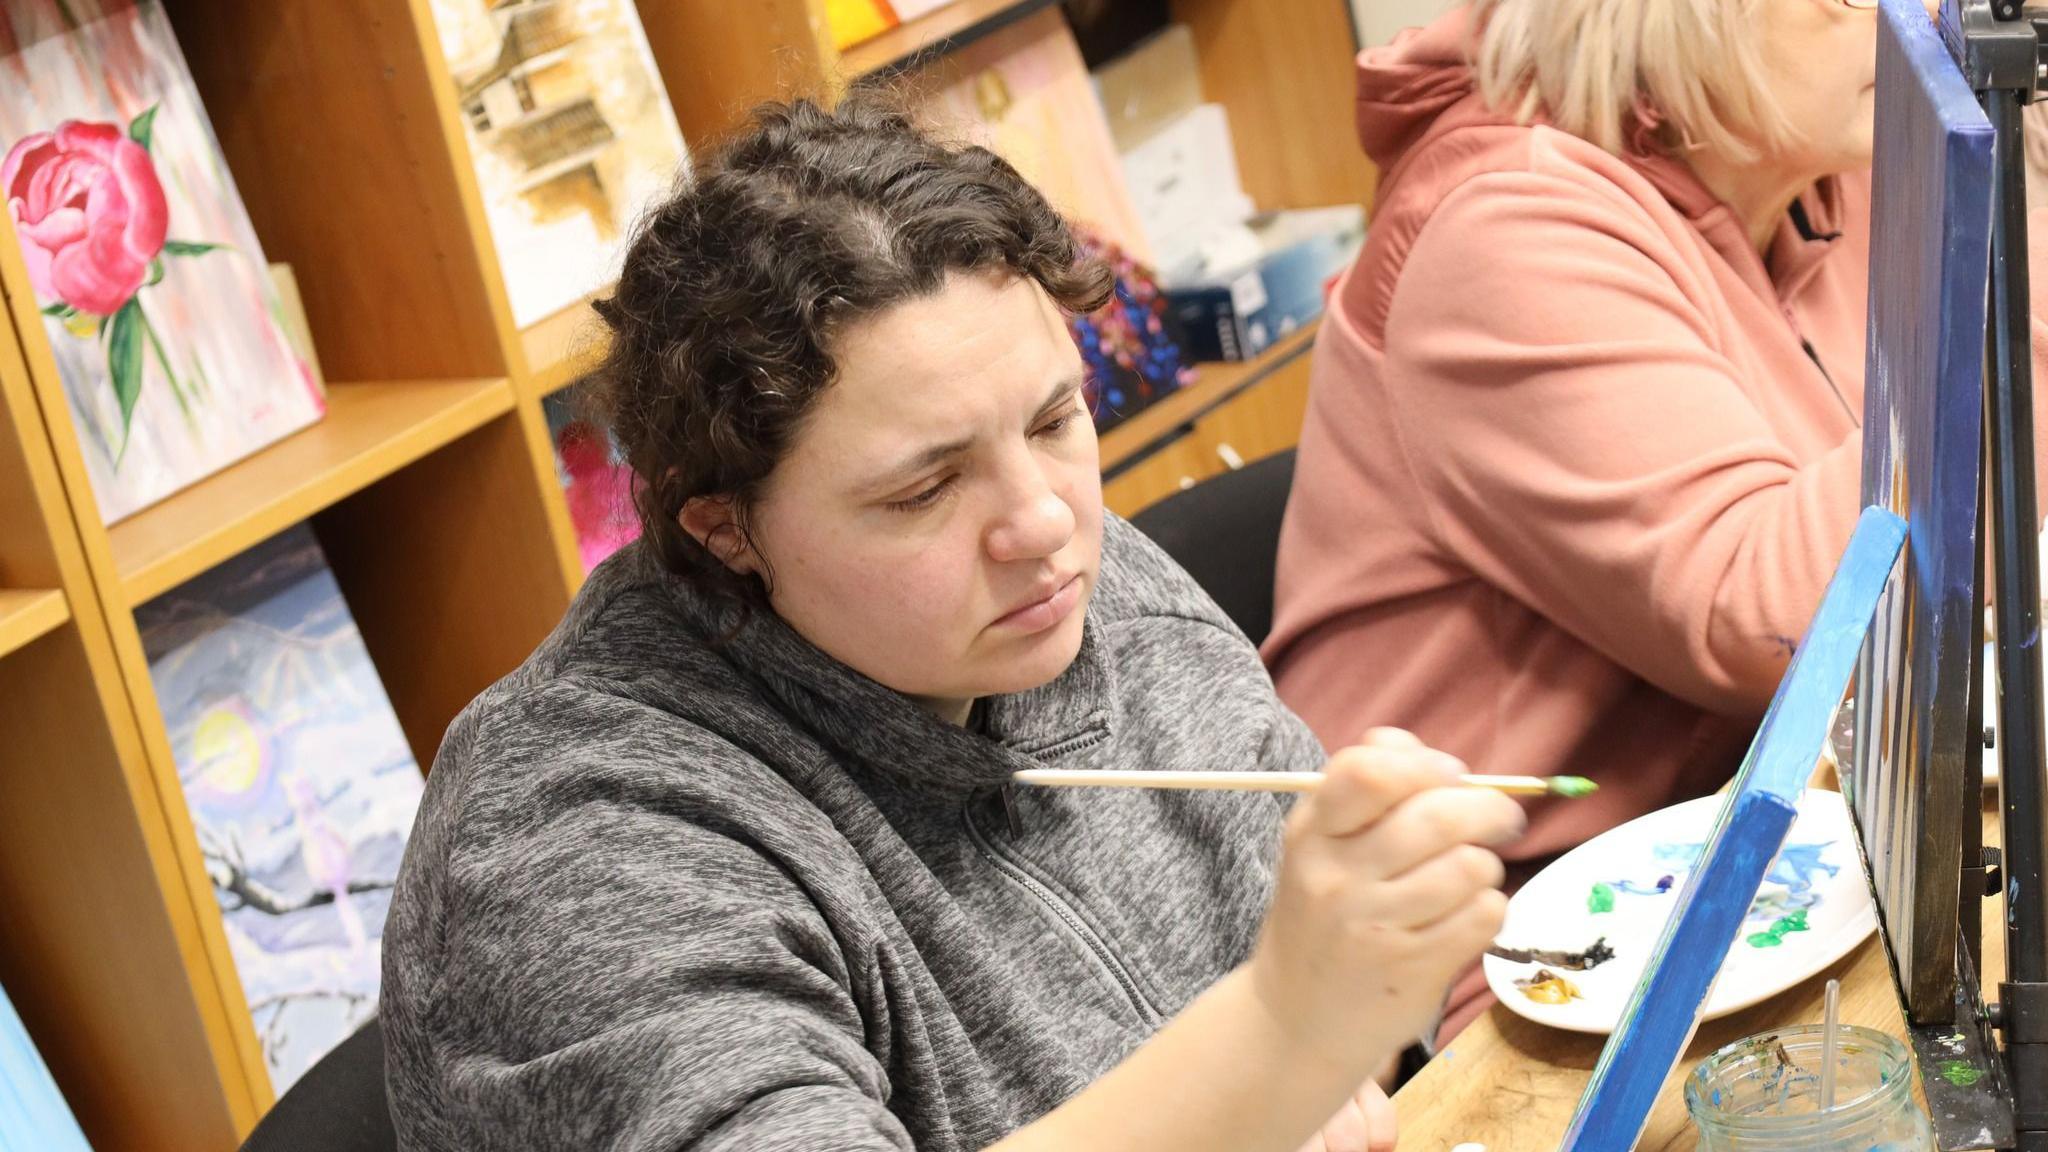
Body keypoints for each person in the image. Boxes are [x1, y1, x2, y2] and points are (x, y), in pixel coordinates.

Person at [378, 96, 1524, 1152]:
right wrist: (1279, 1032)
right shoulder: (573, 841)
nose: (1042, 524)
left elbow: (1351, 1048)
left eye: (1054, 419)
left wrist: (1351, 1002)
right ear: (724, 528)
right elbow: (1283, 1034)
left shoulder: (1065, 579)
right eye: (923, 491)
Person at [1262, 0, 2048, 1041]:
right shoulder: (1503, 229)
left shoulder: (1819, 149)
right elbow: (1770, 618)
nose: (1909, 13)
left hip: (1803, 834)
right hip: (1537, 947)